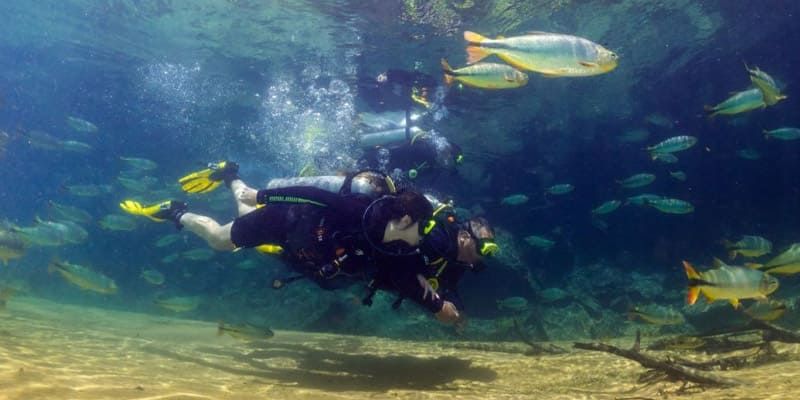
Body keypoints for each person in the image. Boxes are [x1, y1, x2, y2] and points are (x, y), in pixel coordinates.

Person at [120, 161, 462, 323]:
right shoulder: (362, 210)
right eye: (425, 224)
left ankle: (231, 175)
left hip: (299, 243)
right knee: (221, 239)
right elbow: (312, 194)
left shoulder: (398, 248)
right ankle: (179, 211)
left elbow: (407, 280)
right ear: (404, 220)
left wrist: (439, 307)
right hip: (283, 219)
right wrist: (262, 196)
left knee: (238, 219)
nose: (427, 231)